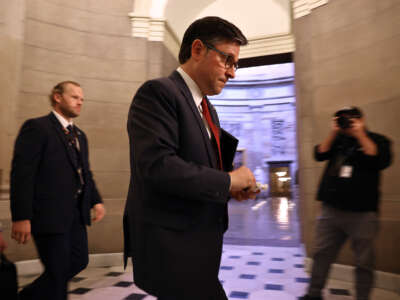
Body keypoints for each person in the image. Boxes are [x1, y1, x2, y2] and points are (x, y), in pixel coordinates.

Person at [123, 16, 259, 300]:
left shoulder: (207, 108)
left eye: (236, 64)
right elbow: (158, 167)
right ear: (198, 49)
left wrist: (231, 189)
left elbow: (198, 172)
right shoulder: (158, 93)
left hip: (201, 243)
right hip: (173, 245)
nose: (233, 73)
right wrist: (228, 179)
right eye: (228, 60)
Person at [10, 81, 105, 300]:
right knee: (57, 273)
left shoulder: (80, 135)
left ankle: (27, 297)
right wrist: (21, 216)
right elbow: (22, 175)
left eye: (82, 99)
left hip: (76, 215)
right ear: (57, 97)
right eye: (74, 97)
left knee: (79, 261)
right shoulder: (37, 127)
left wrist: (95, 200)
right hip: (48, 215)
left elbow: (85, 172)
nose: (80, 102)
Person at [300, 107, 392, 300]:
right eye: (343, 119)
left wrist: (359, 134)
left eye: (351, 119)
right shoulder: (338, 141)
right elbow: (319, 153)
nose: (347, 123)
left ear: (361, 119)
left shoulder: (377, 140)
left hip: (362, 214)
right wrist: (333, 132)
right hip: (331, 210)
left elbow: (379, 159)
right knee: (321, 255)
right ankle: (313, 294)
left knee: (364, 262)